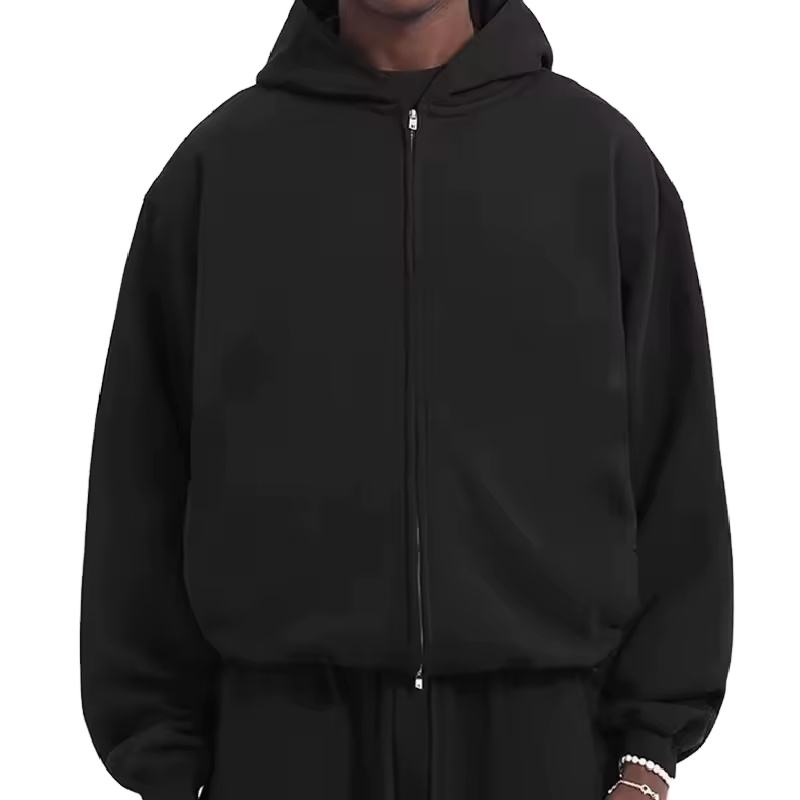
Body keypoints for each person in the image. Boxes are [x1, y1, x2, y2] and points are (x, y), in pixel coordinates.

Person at [80, 1, 734, 798]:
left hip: (542, 751)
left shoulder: (601, 164)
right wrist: (162, 764)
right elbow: (140, 485)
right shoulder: (217, 173)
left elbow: (675, 465)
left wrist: (649, 753)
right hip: (283, 752)